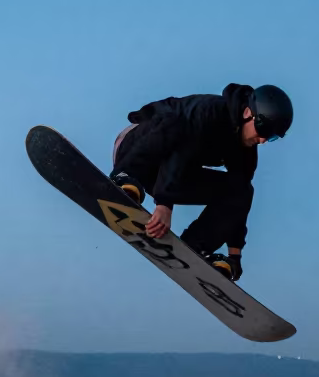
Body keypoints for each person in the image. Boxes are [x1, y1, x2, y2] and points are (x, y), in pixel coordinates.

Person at [109, 83, 293, 282]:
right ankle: (124, 177)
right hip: (138, 146)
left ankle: (196, 246)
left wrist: (234, 256)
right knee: (176, 126)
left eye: (272, 137)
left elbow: (240, 203)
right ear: (248, 112)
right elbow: (180, 151)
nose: (263, 140)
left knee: (241, 189)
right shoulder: (210, 111)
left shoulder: (245, 150)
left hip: (169, 177)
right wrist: (164, 205)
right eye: (264, 129)